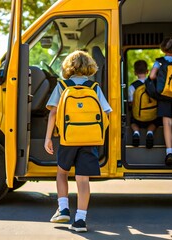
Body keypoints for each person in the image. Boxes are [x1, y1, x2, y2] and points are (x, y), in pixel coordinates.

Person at [44, 50, 112, 232]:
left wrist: (48, 138)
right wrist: (95, 133)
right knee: (83, 180)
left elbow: (53, 113)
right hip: (89, 140)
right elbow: (107, 113)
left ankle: (63, 209)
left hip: (68, 139)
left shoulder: (62, 85)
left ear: (68, 67)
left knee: (62, 172)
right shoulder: (94, 87)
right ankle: (80, 220)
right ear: (89, 66)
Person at [149, 37, 172, 165]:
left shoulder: (159, 62)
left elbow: (152, 76)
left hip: (163, 95)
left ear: (163, 48)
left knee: (166, 121)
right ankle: (171, 148)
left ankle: (169, 151)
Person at [128, 60, 161, 148]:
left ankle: (136, 132)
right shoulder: (153, 84)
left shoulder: (132, 86)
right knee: (156, 121)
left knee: (132, 121)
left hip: (138, 116)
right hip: (152, 116)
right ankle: (150, 133)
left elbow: (131, 102)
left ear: (135, 73)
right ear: (147, 71)